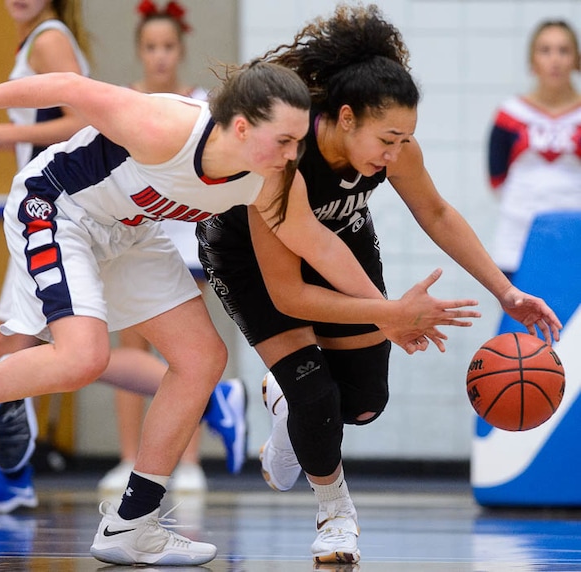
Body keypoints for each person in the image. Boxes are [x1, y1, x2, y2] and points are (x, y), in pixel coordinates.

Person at [0, 56, 483, 565]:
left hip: (131, 233)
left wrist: (384, 313)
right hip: (59, 210)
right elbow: (69, 87)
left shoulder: (271, 176)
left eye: (301, 140)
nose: (293, 154)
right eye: (283, 141)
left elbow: (318, 243)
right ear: (240, 125)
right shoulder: (163, 126)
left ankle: (132, 524)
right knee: (83, 357)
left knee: (202, 360)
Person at [196, 3, 563, 565]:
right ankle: (335, 512)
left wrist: (504, 291)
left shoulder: (395, 149)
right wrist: (387, 312)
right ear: (346, 118)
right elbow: (289, 294)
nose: (396, 154)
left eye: (405, 140)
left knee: (364, 404)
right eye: (387, 139)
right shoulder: (284, 159)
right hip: (254, 259)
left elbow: (436, 213)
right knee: (315, 394)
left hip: (340, 241)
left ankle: (284, 403)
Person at [0, 0, 92, 515]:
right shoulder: (41, 37)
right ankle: (13, 475)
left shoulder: (47, 38)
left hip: (57, 210)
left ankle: (13, 477)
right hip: (56, 205)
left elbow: (79, 121)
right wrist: (6, 144)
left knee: (23, 347)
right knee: (40, 347)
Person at [98, 0, 246, 497]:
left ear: (180, 49)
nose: (160, 56)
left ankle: (187, 461)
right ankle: (128, 459)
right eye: (150, 47)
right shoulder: (124, 102)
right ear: (139, 51)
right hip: (131, 235)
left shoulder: (201, 105)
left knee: (187, 351)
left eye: (168, 47)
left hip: (184, 240)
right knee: (130, 349)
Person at [488, 19, 581, 280]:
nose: (555, 60)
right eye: (545, 50)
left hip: (576, 238)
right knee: (520, 317)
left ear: (576, 59)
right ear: (532, 60)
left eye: (563, 51)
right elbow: (497, 179)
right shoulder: (509, 114)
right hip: (518, 239)